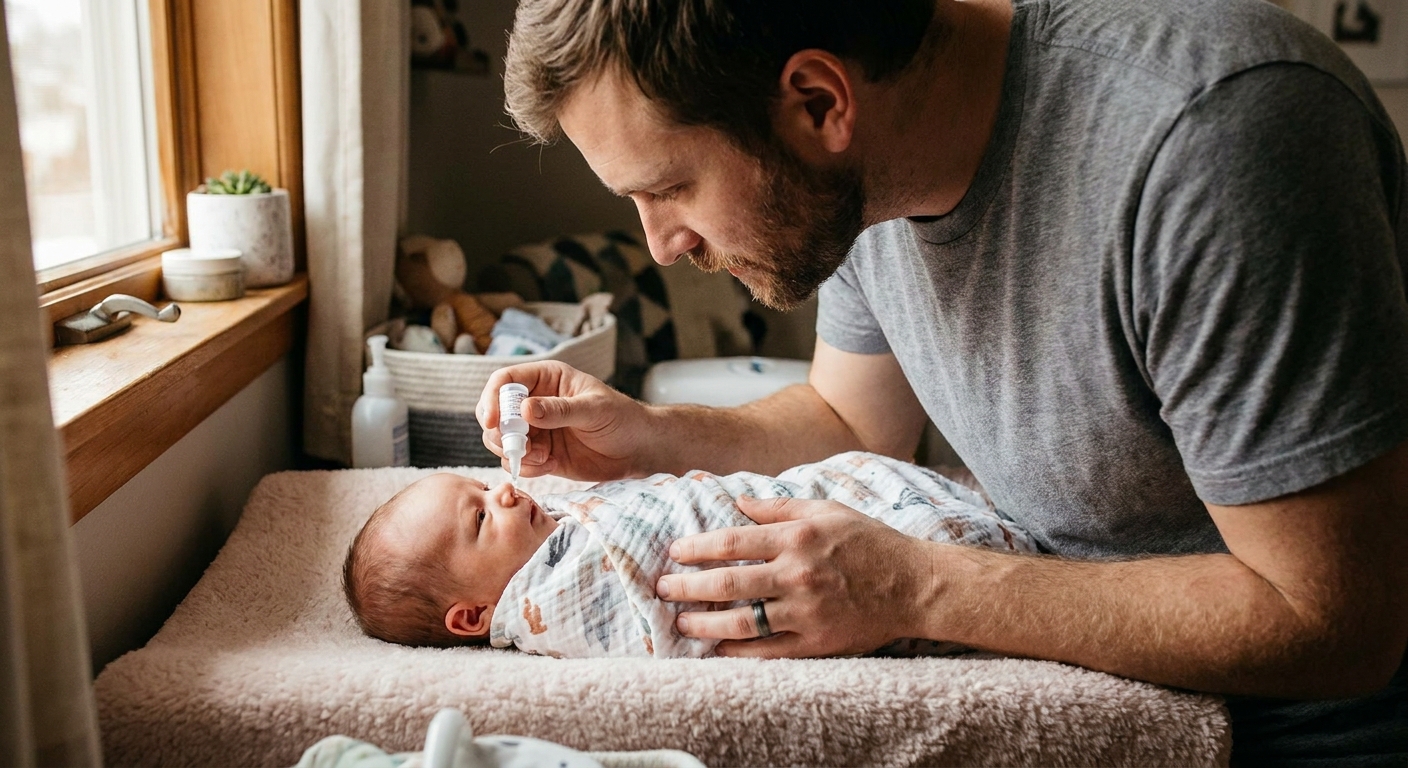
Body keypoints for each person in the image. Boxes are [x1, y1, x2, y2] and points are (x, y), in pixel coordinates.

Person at [476, 0, 1408, 762]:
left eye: (669, 187)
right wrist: (648, 434)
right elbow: (851, 418)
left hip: (1291, 739)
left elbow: (1333, 621)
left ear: (817, 102)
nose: (661, 244)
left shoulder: (1214, 140)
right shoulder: (862, 173)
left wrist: (918, 587)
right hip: (1082, 697)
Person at [342, 453, 1034, 656]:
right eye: (478, 517)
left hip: (801, 501)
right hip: (793, 542)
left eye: (483, 485)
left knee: (848, 483)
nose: (504, 493)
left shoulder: (556, 532)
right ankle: (984, 550)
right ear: (473, 616)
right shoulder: (556, 600)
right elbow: (662, 571)